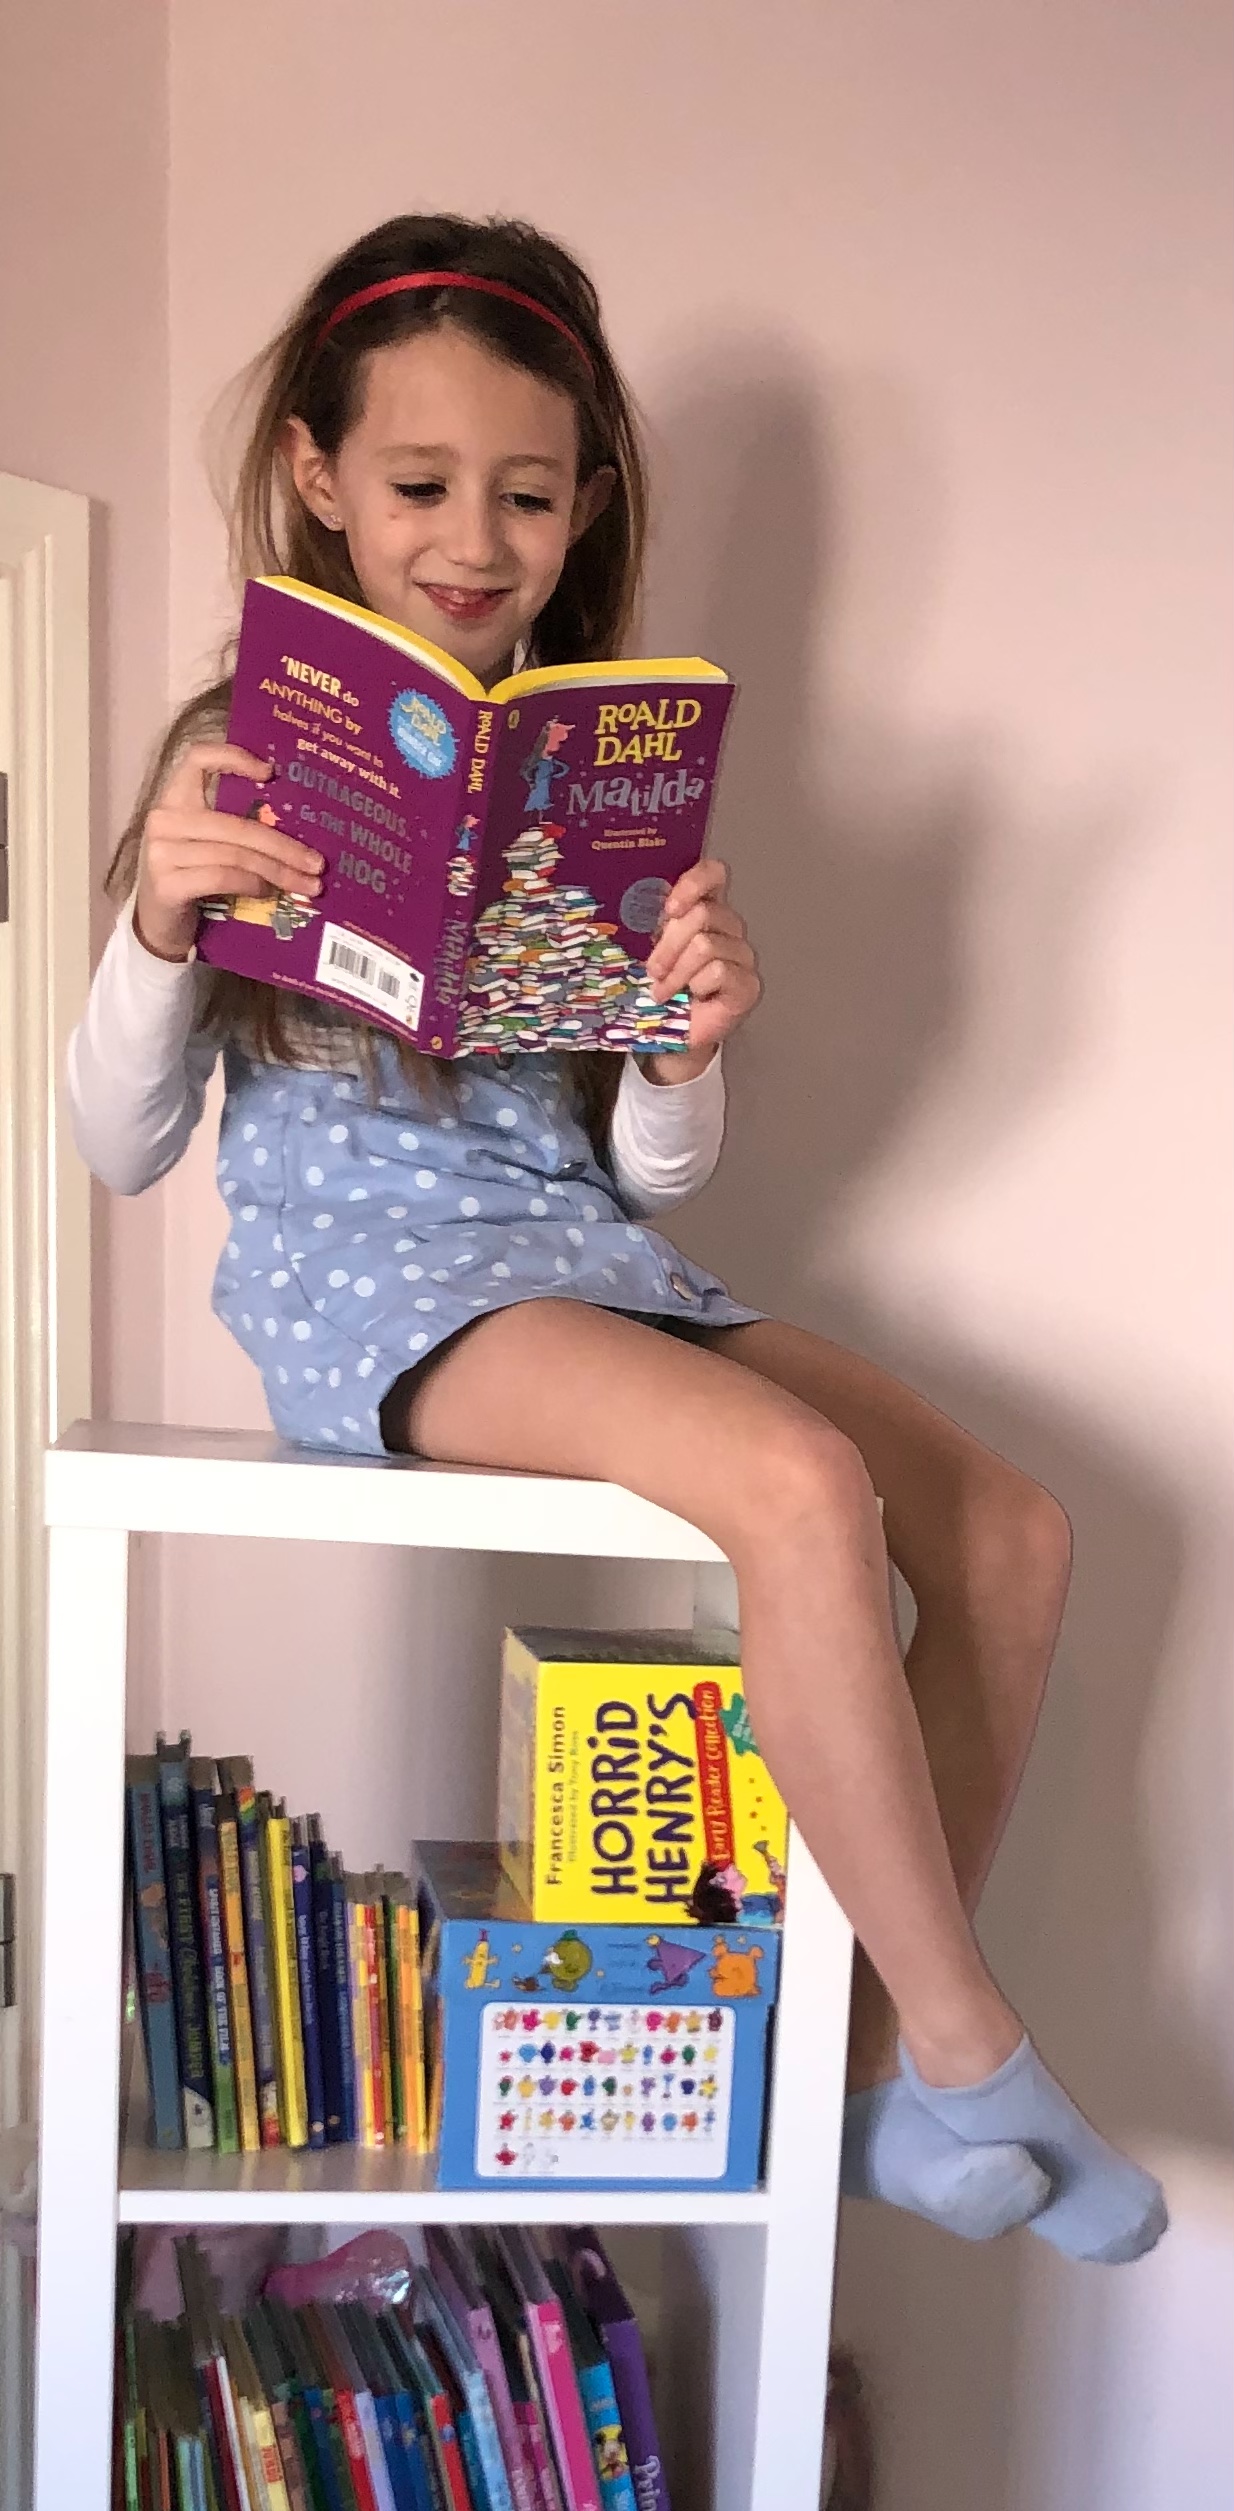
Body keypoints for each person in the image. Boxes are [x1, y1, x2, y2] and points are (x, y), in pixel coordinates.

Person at [67, 211, 1166, 2264]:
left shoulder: (594, 774)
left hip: (582, 1258)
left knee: (1011, 1533)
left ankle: (862, 2086)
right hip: (374, 1287)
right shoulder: (238, 755)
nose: (471, 539)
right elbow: (116, 1143)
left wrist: (679, 1046)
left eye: (526, 493)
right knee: (797, 1484)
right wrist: (154, 920)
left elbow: (649, 1176)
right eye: (417, 483)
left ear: (583, 507)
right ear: (318, 476)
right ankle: (963, 2046)